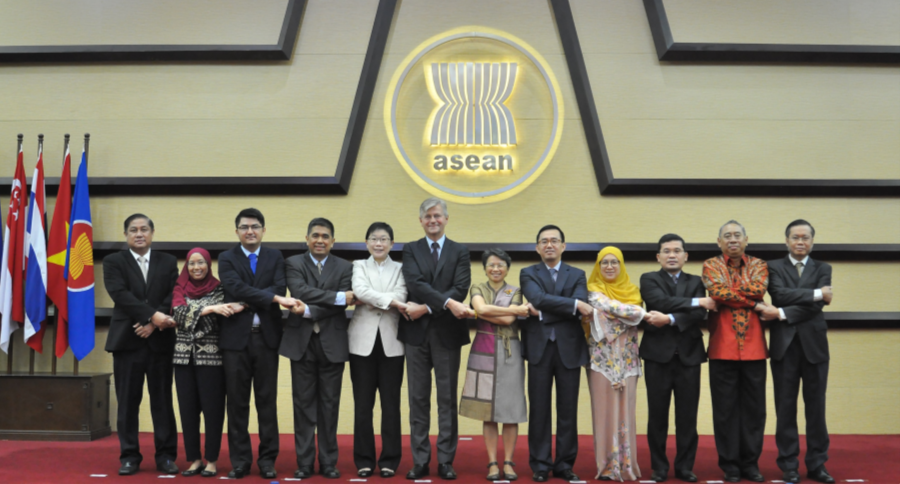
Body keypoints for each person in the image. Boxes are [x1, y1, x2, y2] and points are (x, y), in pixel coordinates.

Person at [218, 208, 299, 479]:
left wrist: (256, 298)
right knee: (237, 403)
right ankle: (240, 461)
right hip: (234, 341)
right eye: (244, 227)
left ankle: (267, 460)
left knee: (267, 402)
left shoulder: (275, 256)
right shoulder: (227, 258)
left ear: (264, 229)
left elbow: (279, 289)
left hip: (267, 340)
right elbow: (233, 288)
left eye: (254, 226)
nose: (249, 231)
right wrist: (268, 298)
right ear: (237, 231)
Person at [400, 197, 472, 480]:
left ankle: (445, 460)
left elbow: (461, 287)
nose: (433, 220)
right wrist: (448, 303)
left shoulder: (460, 251)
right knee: (417, 399)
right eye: (427, 216)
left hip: (447, 334)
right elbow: (414, 282)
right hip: (415, 335)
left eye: (437, 216)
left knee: (446, 399)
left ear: (446, 219)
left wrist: (430, 306)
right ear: (421, 220)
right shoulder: (411, 249)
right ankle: (420, 460)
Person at [103, 214, 179, 476]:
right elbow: (120, 294)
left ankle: (166, 456)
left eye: (144, 229)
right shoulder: (114, 261)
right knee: (127, 402)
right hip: (127, 342)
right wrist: (152, 315)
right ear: (126, 235)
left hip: (160, 342)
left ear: (152, 233)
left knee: (162, 401)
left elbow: (174, 295)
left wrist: (155, 323)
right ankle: (129, 456)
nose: (139, 233)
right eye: (133, 230)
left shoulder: (168, 261)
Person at [582, 247, 668, 481]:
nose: (609, 267)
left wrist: (629, 313)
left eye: (614, 262)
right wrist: (642, 314)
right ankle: (607, 467)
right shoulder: (592, 289)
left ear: (621, 266)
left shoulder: (632, 291)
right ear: (598, 267)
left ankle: (626, 465)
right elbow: (613, 308)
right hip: (601, 362)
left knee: (626, 413)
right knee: (603, 412)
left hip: (628, 360)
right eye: (604, 263)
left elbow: (616, 312)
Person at [280, 217, 354, 480]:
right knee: (302, 405)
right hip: (301, 343)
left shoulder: (346, 267)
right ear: (307, 239)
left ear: (332, 241)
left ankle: (328, 462)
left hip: (332, 343)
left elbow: (345, 300)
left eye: (325, 236)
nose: (320, 240)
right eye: (315, 235)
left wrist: (310, 308)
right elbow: (299, 290)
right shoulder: (293, 263)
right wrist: (335, 297)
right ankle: (304, 463)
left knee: (330, 405)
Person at [639, 234, 715, 483]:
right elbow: (657, 301)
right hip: (657, 357)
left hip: (689, 356)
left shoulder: (696, 280)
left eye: (677, 251)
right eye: (667, 251)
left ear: (686, 256)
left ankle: (685, 467)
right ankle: (659, 467)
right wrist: (694, 302)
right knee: (657, 416)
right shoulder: (649, 278)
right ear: (658, 256)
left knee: (687, 417)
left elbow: (699, 314)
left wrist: (670, 318)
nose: (672, 255)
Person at [765, 220, 835, 484]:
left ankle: (818, 465)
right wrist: (817, 293)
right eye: (795, 237)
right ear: (786, 241)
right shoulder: (772, 266)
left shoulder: (824, 267)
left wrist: (780, 313)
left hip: (815, 347)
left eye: (806, 238)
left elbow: (815, 308)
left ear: (812, 241)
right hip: (784, 346)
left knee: (816, 407)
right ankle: (788, 465)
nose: (801, 242)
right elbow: (779, 294)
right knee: (785, 408)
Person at [519, 225, 590, 483]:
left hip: (569, 349)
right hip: (538, 349)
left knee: (568, 409)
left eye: (554, 241)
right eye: (544, 241)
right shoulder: (528, 273)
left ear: (564, 246)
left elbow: (579, 304)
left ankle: (564, 464)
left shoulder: (578, 274)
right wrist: (572, 305)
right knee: (539, 409)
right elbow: (536, 298)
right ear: (537, 247)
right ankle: (540, 464)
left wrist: (544, 312)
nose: (549, 245)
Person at [702, 220, 770, 483]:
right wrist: (751, 300)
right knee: (725, 410)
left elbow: (759, 288)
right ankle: (730, 465)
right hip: (722, 347)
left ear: (746, 240)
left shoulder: (759, 265)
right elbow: (716, 291)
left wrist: (730, 294)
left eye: (737, 235)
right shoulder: (711, 265)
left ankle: (751, 464)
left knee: (755, 410)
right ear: (719, 242)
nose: (733, 239)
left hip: (754, 348)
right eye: (727, 236)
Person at [171, 248, 243, 478]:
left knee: (213, 411)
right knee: (187, 411)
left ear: (208, 264)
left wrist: (194, 315)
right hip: (183, 358)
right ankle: (194, 459)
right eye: (191, 263)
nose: (196, 267)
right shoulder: (178, 287)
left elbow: (210, 323)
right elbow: (177, 313)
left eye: (200, 262)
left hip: (212, 359)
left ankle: (211, 460)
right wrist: (210, 308)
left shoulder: (219, 287)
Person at [459, 248, 529, 482]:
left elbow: (508, 320)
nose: (496, 269)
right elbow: (482, 308)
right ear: (485, 268)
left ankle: (508, 461)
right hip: (483, 348)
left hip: (510, 352)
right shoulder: (477, 288)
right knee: (487, 411)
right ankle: (491, 463)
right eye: (491, 265)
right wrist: (508, 310)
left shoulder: (516, 290)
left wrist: (483, 313)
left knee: (511, 410)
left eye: (500, 265)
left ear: (507, 268)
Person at [348, 222, 408, 478]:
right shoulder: (358, 266)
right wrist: (390, 302)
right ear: (367, 243)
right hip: (361, 343)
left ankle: (390, 460)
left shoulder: (401, 268)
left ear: (392, 244)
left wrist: (376, 300)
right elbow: (359, 290)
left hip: (392, 343)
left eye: (384, 239)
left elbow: (403, 295)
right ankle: (363, 459)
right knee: (362, 405)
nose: (379, 243)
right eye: (374, 239)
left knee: (391, 405)